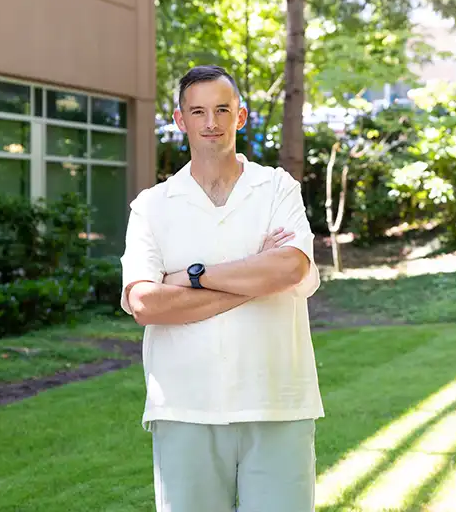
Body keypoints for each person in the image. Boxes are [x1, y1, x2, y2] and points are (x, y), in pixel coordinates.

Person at [120, 65, 324, 512]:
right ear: (180, 120)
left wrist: (191, 277)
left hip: (277, 403)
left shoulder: (276, 188)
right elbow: (143, 302)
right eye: (198, 111)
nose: (210, 122)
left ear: (241, 116)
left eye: (221, 110)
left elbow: (290, 268)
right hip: (185, 406)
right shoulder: (152, 206)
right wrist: (256, 276)